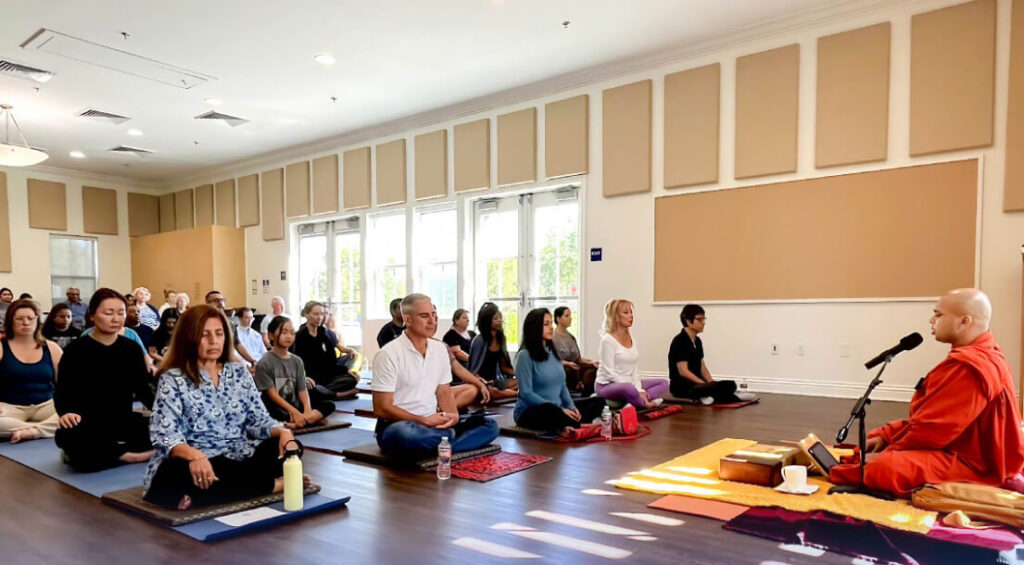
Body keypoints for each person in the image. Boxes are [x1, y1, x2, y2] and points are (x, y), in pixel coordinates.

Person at [830, 289, 1024, 498]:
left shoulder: (970, 366)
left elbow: (932, 432)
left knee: (884, 466)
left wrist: (889, 453)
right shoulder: (981, 353)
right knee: (878, 438)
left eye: (938, 314)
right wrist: (888, 436)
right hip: (956, 447)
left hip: (974, 463)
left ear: (964, 322)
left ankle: (848, 471)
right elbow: (931, 420)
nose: (932, 320)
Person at [143, 305, 304, 510]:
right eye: (205, 335)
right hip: (194, 460)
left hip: (237, 457)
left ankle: (209, 494)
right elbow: (165, 434)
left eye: (219, 334)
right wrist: (195, 456)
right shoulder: (173, 378)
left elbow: (258, 419)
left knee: (291, 447)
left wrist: (283, 431)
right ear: (189, 338)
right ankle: (273, 485)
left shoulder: (239, 372)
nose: (214, 341)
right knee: (173, 474)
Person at [371, 294, 499, 460]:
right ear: (408, 320)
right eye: (424, 316)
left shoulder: (439, 350)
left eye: (434, 315)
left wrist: (452, 416)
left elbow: (444, 392)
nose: (432, 321)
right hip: (400, 425)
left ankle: (442, 446)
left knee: (490, 425)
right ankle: (450, 443)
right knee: (404, 435)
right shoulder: (388, 354)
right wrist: (423, 420)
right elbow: (381, 408)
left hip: (437, 424)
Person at [54, 289, 154, 471]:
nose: (116, 318)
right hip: (87, 422)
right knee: (69, 436)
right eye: (109, 313)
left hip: (122, 419)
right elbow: (62, 391)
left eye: (120, 313)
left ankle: (110, 454)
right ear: (92, 315)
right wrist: (66, 413)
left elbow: (143, 389)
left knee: (162, 430)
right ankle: (127, 456)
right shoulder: (76, 350)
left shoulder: (131, 349)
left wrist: (162, 413)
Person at [514, 308, 607, 437]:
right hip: (532, 411)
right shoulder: (524, 356)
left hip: (559, 407)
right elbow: (526, 394)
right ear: (534, 327)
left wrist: (571, 407)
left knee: (599, 401)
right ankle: (585, 426)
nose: (551, 328)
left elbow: (562, 386)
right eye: (546, 324)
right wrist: (560, 410)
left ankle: (571, 425)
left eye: (551, 323)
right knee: (551, 411)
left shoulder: (553, 353)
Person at [256, 316, 336, 428]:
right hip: (279, 407)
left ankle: (301, 420)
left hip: (295, 404)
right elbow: (273, 395)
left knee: (329, 404)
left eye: (292, 333)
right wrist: (294, 412)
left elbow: (302, 389)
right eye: (284, 332)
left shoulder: (297, 361)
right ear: (271, 335)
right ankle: (307, 420)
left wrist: (307, 410)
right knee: (267, 409)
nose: (289, 336)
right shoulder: (264, 363)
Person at [0, 299, 62, 443]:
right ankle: (44, 429)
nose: (26, 323)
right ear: (11, 322)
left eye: (30, 318)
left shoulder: (52, 348)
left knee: (80, 411)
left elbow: (67, 384)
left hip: (46, 405)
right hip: (10, 408)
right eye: (20, 319)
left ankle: (32, 432)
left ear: (38, 320)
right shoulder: (2, 347)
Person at [668, 305, 755, 405]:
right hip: (683, 387)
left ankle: (710, 395)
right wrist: (705, 384)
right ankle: (725, 396)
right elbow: (683, 371)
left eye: (704, 319)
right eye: (699, 319)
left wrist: (711, 383)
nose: (703, 322)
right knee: (723, 387)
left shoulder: (697, 341)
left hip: (698, 385)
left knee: (730, 384)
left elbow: (702, 367)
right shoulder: (680, 341)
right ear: (688, 321)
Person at [595, 299, 667, 410]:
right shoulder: (607, 340)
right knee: (629, 388)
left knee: (664, 382)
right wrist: (634, 388)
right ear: (616, 317)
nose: (631, 316)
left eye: (631, 312)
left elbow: (634, 368)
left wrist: (640, 389)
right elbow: (610, 373)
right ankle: (646, 404)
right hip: (607, 385)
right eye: (626, 313)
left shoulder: (632, 338)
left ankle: (640, 398)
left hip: (630, 383)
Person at [291, 301, 357, 399]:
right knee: (311, 388)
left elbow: (332, 361)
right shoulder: (300, 336)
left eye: (321, 314)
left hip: (327, 377)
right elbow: (298, 364)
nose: (319, 317)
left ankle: (326, 391)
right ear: (307, 315)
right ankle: (338, 395)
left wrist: (346, 371)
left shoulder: (324, 334)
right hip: (310, 378)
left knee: (352, 379)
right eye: (316, 314)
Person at [468, 303, 518, 400]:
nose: (500, 321)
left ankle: (511, 392)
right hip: (480, 383)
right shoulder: (479, 340)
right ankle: (514, 394)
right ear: (487, 321)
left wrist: (521, 375)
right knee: (491, 391)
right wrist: (482, 383)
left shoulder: (501, 339)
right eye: (495, 318)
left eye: (500, 318)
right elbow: (473, 371)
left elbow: (504, 366)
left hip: (495, 381)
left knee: (521, 383)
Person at [205, 290, 258, 371]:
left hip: (231, 362)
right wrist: (241, 366)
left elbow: (237, 345)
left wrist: (253, 361)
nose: (220, 303)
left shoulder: (230, 324)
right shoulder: (204, 324)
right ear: (207, 304)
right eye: (216, 301)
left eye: (222, 300)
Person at [552, 306, 598, 396]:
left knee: (591, 370)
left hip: (575, 367)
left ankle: (586, 397)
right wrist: (568, 363)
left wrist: (592, 363)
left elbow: (578, 359)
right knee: (569, 370)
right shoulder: (553, 338)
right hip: (562, 367)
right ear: (558, 319)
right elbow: (551, 360)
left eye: (570, 316)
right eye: (567, 316)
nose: (570, 318)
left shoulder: (571, 337)